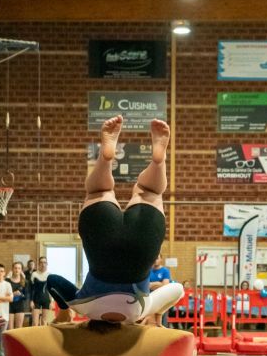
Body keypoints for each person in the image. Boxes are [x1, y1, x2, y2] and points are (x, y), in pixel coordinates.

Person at [46, 116, 183, 327]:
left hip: (141, 251)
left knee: (150, 192)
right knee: (99, 191)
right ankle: (106, 159)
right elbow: (53, 280)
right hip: (102, 248)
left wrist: (155, 313)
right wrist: (65, 310)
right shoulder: (86, 306)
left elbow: (177, 290)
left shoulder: (140, 309)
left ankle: (158, 163)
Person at [148, 254, 172, 326]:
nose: (155, 260)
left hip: (162, 297)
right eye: (154, 258)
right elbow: (146, 285)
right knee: (150, 318)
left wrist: (151, 284)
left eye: (157, 258)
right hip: (150, 297)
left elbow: (165, 285)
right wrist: (159, 283)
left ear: (161, 259)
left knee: (161, 317)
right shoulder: (148, 270)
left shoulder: (165, 271)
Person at [29, 256, 52, 326]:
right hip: (36, 299)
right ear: (38, 264)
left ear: (47, 264)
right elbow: (31, 289)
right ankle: (34, 337)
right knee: (35, 322)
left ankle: (42, 337)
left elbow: (51, 290)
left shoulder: (50, 275)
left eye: (44, 262)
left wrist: (51, 301)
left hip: (46, 299)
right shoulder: (34, 274)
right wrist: (31, 300)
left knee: (44, 322)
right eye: (41, 262)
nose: (43, 264)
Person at [7, 260, 28, 330]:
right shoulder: (7, 281)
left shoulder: (25, 282)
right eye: (15, 268)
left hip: (20, 305)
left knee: (18, 328)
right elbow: (4, 294)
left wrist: (21, 294)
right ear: (12, 269)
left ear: (21, 270)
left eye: (19, 268)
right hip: (9, 306)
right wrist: (13, 294)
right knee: (10, 329)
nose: (17, 270)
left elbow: (26, 296)